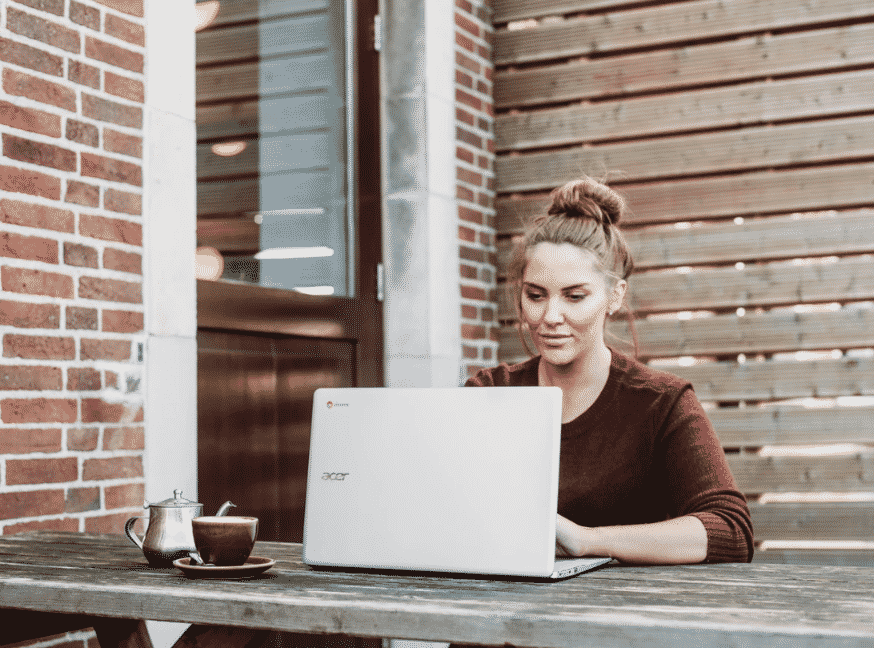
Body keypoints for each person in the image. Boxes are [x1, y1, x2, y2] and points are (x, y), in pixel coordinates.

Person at [467, 176, 754, 564]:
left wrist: (588, 541)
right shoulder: (487, 393)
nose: (551, 317)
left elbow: (731, 531)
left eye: (575, 296)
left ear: (614, 296)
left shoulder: (661, 403)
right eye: (535, 296)